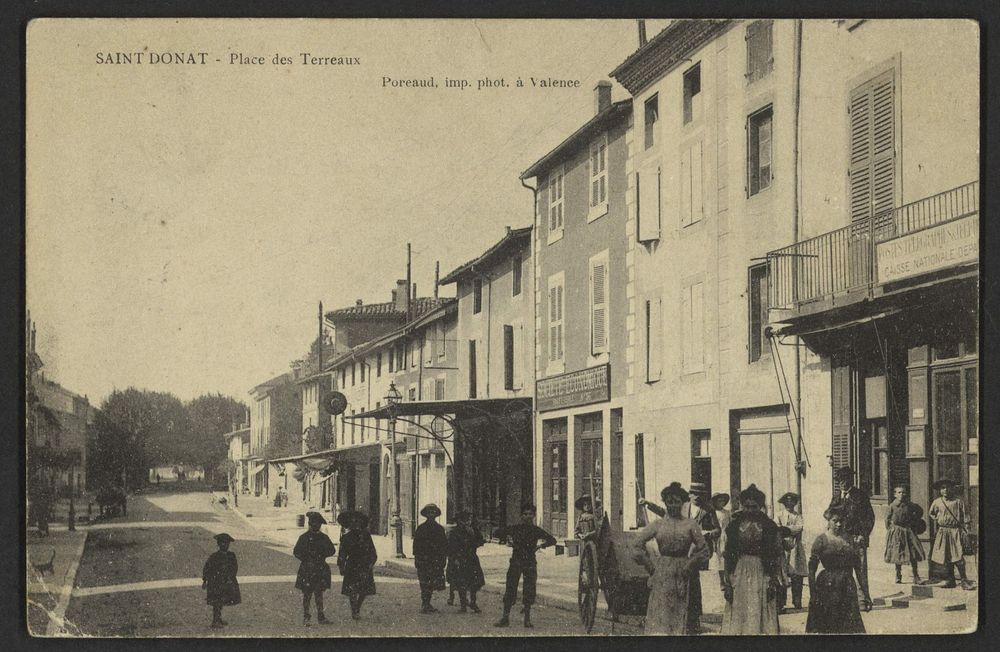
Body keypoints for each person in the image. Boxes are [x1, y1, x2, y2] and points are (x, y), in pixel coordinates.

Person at [632, 482, 710, 635]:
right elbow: (636, 545)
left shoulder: (690, 524)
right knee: (661, 611)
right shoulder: (658, 525)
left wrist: (690, 565)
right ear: (665, 503)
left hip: (683, 572)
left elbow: (704, 550)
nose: (673, 505)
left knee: (680, 612)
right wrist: (650, 567)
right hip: (662, 571)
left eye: (677, 502)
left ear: (682, 502)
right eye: (670, 502)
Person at [721, 484, 783, 635]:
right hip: (740, 569)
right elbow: (728, 554)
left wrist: (773, 579)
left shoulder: (769, 526)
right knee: (741, 607)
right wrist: (728, 581)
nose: (750, 510)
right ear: (742, 506)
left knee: (760, 606)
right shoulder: (734, 526)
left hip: (761, 569)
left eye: (754, 507)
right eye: (747, 506)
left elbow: (776, 554)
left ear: (760, 506)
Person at [806, 506, 871, 633]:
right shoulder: (821, 540)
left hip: (847, 586)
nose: (839, 524)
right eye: (835, 521)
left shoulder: (850, 540)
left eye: (841, 520)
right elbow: (811, 570)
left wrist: (866, 594)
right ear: (828, 521)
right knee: (827, 625)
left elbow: (858, 569)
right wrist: (813, 594)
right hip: (826, 586)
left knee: (847, 626)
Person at [493, 503, 557, 628]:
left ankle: (527, 619)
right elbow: (497, 533)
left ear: (533, 516)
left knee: (529, 589)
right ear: (521, 516)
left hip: (530, 562)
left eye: (530, 514)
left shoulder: (536, 530)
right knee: (511, 587)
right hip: (516, 561)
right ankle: (505, 618)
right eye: (525, 514)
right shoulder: (515, 528)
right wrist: (508, 538)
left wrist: (540, 546)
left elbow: (552, 540)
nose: (528, 517)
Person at [824, 466, 874, 607]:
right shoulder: (836, 497)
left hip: (856, 538)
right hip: (841, 539)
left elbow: (869, 518)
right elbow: (828, 513)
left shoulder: (860, 496)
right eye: (840, 481)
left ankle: (864, 599)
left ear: (851, 480)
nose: (843, 484)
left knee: (860, 570)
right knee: (842, 570)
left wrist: (862, 535)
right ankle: (846, 600)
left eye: (846, 480)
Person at [928, 479, 974, 590]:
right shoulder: (937, 502)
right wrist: (938, 519)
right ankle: (950, 579)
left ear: (952, 488)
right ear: (940, 490)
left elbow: (966, 515)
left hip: (955, 532)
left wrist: (967, 528)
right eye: (943, 488)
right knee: (946, 557)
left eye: (948, 487)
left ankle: (964, 580)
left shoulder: (958, 501)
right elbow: (931, 513)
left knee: (958, 556)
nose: (945, 490)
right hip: (943, 532)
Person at [686, 482, 719, 634]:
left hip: (698, 551)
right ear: (690, 494)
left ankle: (693, 618)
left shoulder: (708, 510)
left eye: (700, 495)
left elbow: (717, 530)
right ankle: (684, 617)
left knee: (692, 582)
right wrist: (648, 505)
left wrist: (707, 533)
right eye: (695, 494)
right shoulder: (684, 508)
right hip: (683, 549)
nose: (697, 498)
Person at [293, 511, 337, 625]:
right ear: (309, 523)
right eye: (313, 523)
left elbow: (332, 550)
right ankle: (306, 617)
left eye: (317, 524)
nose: (315, 525)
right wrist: (306, 558)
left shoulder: (324, 537)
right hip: (307, 569)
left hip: (319, 568)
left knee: (319, 594)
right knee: (307, 594)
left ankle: (321, 617)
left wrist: (322, 555)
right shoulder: (303, 537)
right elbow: (296, 552)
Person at [337, 510, 377, 619]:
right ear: (349, 524)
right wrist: (341, 565)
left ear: (361, 523)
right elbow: (342, 553)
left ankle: (357, 606)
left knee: (364, 590)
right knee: (352, 590)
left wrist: (371, 563)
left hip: (364, 564)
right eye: (353, 522)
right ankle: (354, 610)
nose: (355, 524)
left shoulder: (366, 535)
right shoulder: (346, 537)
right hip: (352, 565)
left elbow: (373, 552)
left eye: (358, 521)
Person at [884, 485, 926, 585]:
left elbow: (919, 511)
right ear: (895, 494)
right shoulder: (892, 506)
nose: (901, 494)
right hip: (897, 532)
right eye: (899, 492)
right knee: (898, 553)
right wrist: (891, 529)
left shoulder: (910, 505)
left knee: (913, 553)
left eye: (903, 492)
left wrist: (914, 521)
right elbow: (887, 519)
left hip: (908, 531)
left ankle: (916, 576)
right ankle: (898, 575)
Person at [447, 510, 486, 613]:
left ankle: (473, 602)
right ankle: (463, 604)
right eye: (465, 520)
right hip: (460, 559)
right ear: (459, 521)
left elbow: (481, 541)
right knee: (461, 583)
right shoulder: (454, 532)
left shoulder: (473, 530)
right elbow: (451, 547)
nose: (467, 522)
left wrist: (476, 541)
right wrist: (454, 559)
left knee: (474, 583)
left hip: (472, 558)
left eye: (469, 519)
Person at [413, 503, 448, 614]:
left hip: (435, 560)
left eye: (433, 512)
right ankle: (425, 603)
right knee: (424, 582)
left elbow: (444, 545)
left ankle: (427, 603)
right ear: (426, 514)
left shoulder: (439, 529)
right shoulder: (421, 529)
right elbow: (416, 545)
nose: (431, 514)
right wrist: (417, 558)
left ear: (436, 514)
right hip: (424, 559)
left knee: (432, 582)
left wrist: (443, 559)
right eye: (429, 512)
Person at [776, 492, 807, 611]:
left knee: (796, 575)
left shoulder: (798, 516)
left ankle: (797, 600)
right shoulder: (779, 515)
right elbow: (776, 527)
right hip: (781, 546)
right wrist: (783, 532)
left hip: (795, 546)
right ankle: (781, 602)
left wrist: (785, 529)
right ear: (784, 503)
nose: (789, 504)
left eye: (792, 502)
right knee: (781, 574)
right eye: (787, 501)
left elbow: (799, 527)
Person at [202, 533, 240, 628]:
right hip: (216, 583)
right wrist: (205, 580)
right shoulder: (214, 556)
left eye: (226, 543)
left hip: (227, 581)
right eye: (222, 543)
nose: (225, 545)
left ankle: (218, 618)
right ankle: (215, 621)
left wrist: (231, 578)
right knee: (217, 601)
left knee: (222, 600)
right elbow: (207, 568)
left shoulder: (231, 556)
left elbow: (234, 568)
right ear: (219, 544)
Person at [710, 492, 732, 591]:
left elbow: (731, 525)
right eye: (719, 501)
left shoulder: (727, 513)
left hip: (727, 536)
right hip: (718, 537)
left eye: (723, 501)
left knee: (727, 560)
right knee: (719, 560)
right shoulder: (713, 513)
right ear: (715, 502)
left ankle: (728, 581)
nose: (721, 502)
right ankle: (721, 582)